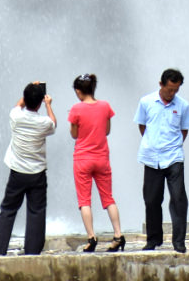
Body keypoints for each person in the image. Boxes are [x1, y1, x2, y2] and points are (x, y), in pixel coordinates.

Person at [0, 81, 56, 256]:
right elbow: (53, 123)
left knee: (8, 210)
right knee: (36, 211)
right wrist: (48, 105)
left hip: (17, 172)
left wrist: (29, 92)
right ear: (40, 102)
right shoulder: (44, 123)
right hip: (37, 173)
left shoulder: (16, 116)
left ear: (25, 100)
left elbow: (19, 105)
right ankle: (33, 252)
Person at [135, 68, 189, 253]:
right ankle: (153, 239)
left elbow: (184, 130)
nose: (172, 93)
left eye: (176, 90)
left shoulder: (183, 105)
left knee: (178, 198)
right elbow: (142, 126)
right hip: (152, 157)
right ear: (161, 84)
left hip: (174, 157)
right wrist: (152, 143)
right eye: (169, 89)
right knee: (152, 200)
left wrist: (173, 146)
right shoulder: (146, 102)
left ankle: (179, 241)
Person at [67, 73, 126, 252]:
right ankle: (118, 235)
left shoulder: (76, 109)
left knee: (85, 200)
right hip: (102, 158)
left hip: (83, 158)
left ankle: (91, 238)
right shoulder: (105, 106)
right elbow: (107, 131)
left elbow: (74, 135)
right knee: (108, 198)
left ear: (78, 91)